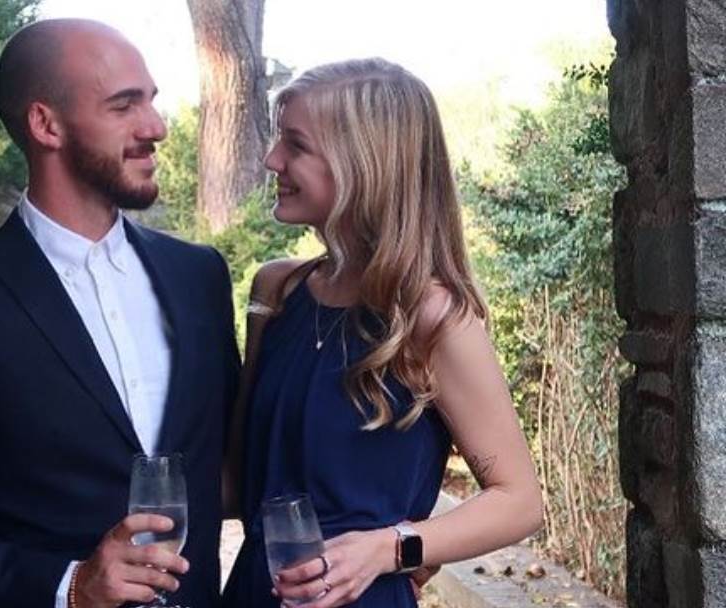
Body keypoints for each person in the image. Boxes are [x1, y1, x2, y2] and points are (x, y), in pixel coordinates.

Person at [0, 19, 239, 608]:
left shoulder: (200, 277)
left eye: (151, 100)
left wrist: (385, 546)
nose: (156, 127)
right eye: (124, 106)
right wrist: (69, 586)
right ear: (46, 125)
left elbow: (239, 466)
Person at [220, 58, 544, 608]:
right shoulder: (276, 291)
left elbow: (519, 502)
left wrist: (390, 548)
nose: (272, 159)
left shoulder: (432, 314)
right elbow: (239, 479)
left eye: (295, 144)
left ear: (363, 164)